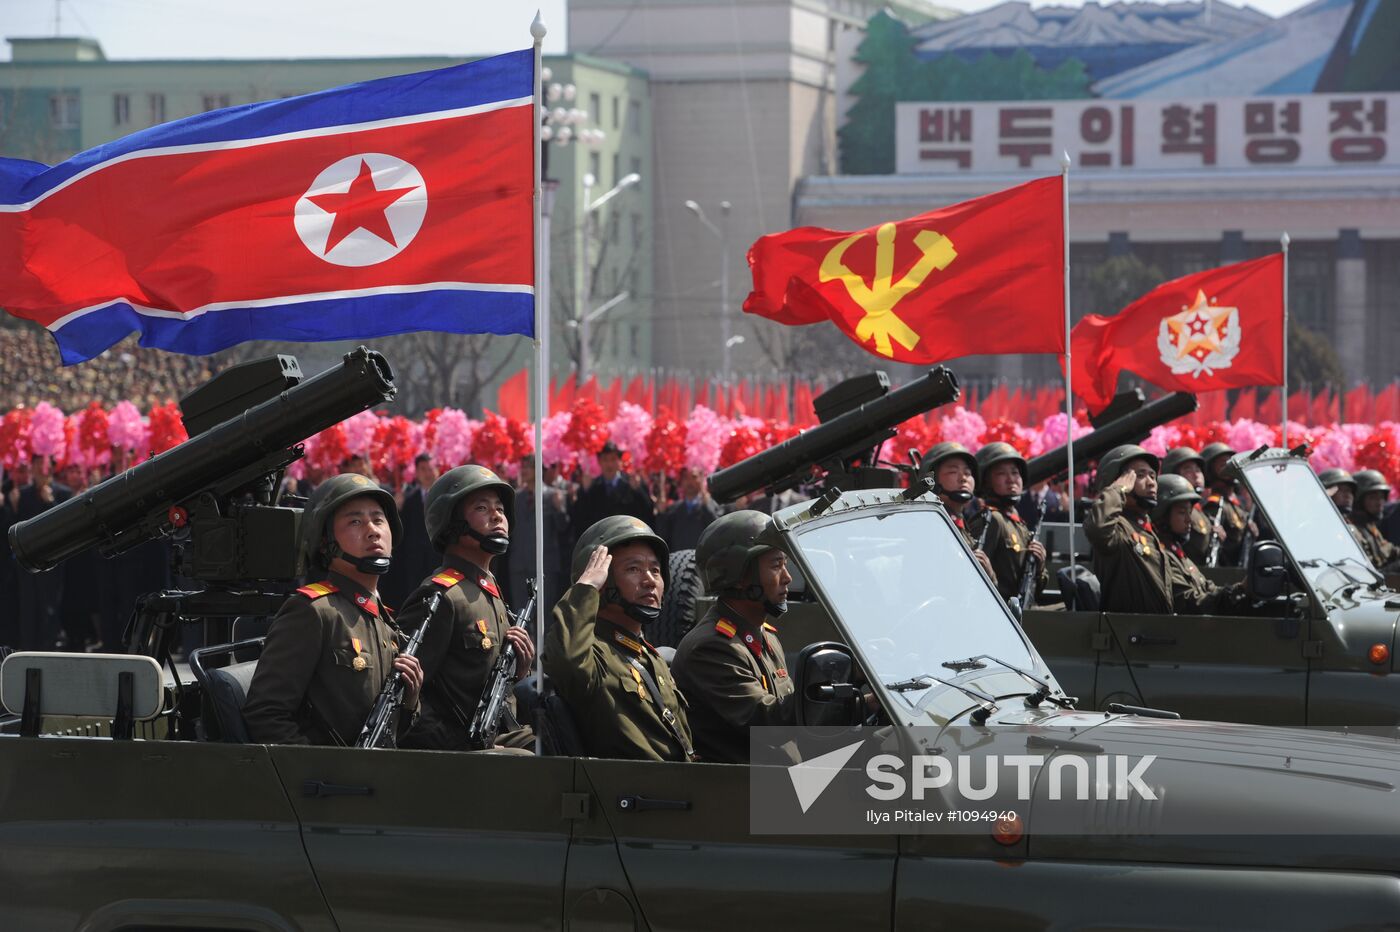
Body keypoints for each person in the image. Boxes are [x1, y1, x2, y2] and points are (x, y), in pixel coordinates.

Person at [243, 474, 422, 746]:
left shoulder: (380, 616)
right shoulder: (313, 612)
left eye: (378, 519)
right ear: (326, 541)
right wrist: (322, 777)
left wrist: (410, 702)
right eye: (355, 521)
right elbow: (266, 713)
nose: (373, 530)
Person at [396, 465, 535, 751]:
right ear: (452, 524)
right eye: (482, 508)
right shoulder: (441, 596)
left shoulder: (489, 591)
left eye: (500, 508)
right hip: (461, 754)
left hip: (501, 736)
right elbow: (403, 696)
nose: (498, 515)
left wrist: (520, 672)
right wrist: (461, 746)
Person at [545, 516, 694, 762]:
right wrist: (586, 589)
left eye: (655, 570)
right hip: (640, 793)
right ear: (603, 582)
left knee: (770, 790)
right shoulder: (595, 655)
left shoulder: (650, 657)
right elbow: (566, 662)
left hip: (680, 786)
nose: (649, 580)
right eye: (633, 569)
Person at [672, 510, 796, 763]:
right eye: (775, 565)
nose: (787, 577)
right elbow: (770, 724)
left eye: (785, 563)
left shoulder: (765, 636)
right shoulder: (711, 647)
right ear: (740, 577)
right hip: (745, 791)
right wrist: (831, 695)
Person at [1085, 445, 1191, 615]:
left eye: (1153, 476)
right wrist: (1117, 489)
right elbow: (1098, 528)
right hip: (1129, 633)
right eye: (1140, 476)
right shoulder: (1118, 527)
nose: (1151, 482)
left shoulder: (1146, 529)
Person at [1150, 474, 1248, 614]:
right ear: (1162, 514)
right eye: (1182, 513)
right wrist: (1239, 591)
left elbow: (1208, 588)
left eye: (1190, 512)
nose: (1189, 520)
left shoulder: (1177, 552)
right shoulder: (1161, 555)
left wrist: (1241, 589)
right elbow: (1192, 603)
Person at [968, 442, 1047, 605]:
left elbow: (1036, 590)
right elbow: (974, 581)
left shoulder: (1018, 523)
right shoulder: (991, 520)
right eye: (1001, 474)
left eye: (1015, 473)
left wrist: (1039, 566)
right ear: (986, 482)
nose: (1011, 479)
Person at [501, 453, 571, 613]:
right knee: (520, 613)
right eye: (522, 466)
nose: (524, 470)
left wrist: (559, 509)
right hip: (519, 566)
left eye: (528, 466)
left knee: (544, 615)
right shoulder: (515, 497)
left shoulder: (553, 495)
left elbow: (563, 528)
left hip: (545, 566)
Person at [921, 442, 995, 581]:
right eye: (953, 472)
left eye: (968, 473)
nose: (963, 478)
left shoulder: (959, 524)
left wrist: (989, 573)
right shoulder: (931, 525)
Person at [381, 452, 439, 610]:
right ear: (417, 473)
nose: (428, 473)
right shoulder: (408, 499)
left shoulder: (445, 497)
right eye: (423, 469)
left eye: (431, 468)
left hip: (438, 560)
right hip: (414, 562)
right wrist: (396, 509)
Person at [569, 440, 655, 545]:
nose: (609, 464)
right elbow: (580, 518)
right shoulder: (592, 486)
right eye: (605, 460)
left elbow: (648, 511)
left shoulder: (631, 482)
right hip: (601, 542)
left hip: (627, 540)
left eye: (613, 459)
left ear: (620, 461)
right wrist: (585, 491)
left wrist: (637, 490)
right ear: (599, 462)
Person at [1162, 446, 1219, 565]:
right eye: (1187, 470)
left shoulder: (1200, 510)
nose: (1196, 475)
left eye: (1198, 470)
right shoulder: (1172, 508)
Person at [1199, 442, 1251, 567]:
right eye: (1223, 463)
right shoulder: (1214, 504)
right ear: (1210, 470)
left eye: (1230, 462)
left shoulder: (1239, 504)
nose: (1229, 467)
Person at [657, 466, 723, 552]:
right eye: (685, 477)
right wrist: (661, 513)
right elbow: (662, 536)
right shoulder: (672, 509)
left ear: (702, 479)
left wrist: (706, 504)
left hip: (702, 561)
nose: (690, 482)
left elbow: (717, 530)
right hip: (679, 561)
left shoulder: (713, 505)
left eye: (694, 477)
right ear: (680, 481)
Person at [1350, 470, 1400, 573]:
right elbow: (1368, 576)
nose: (1379, 502)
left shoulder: (1370, 527)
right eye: (1373, 498)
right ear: (1358, 500)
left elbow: (1391, 552)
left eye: (1381, 497)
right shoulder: (1353, 531)